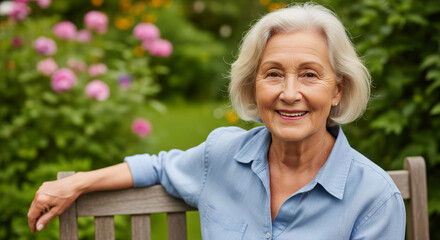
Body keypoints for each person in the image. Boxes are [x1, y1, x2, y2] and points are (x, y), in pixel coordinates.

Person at [28, 3, 406, 239]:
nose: (289, 93)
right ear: (252, 85)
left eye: (309, 74)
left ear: (338, 90)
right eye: (273, 74)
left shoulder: (373, 199)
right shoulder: (222, 156)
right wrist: (78, 182)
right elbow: (159, 167)